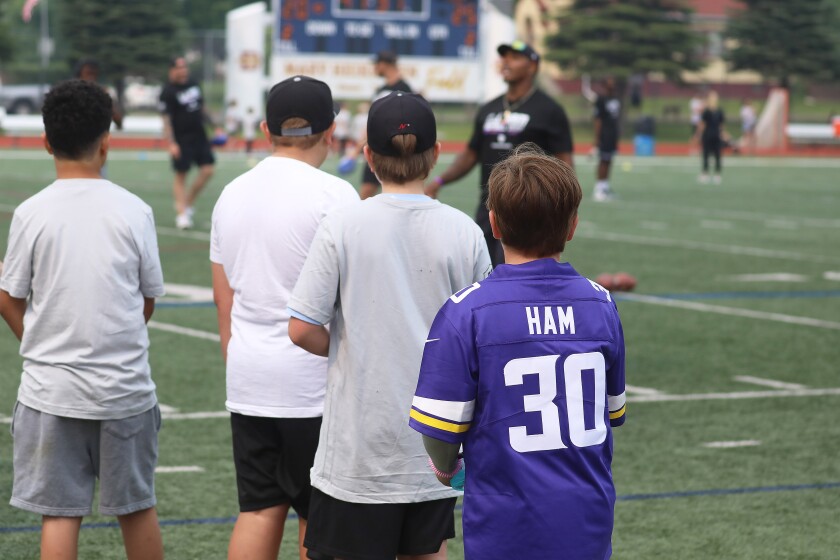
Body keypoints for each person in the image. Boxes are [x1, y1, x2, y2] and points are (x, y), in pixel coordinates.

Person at [287, 91, 492, 560]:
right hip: (434, 445)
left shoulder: (343, 225)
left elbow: (301, 328)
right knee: (426, 550)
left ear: (368, 157)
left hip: (359, 449)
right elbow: (483, 337)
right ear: (436, 154)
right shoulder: (464, 231)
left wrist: (349, 344)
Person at [410, 143, 627, 559]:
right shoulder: (601, 304)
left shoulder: (466, 311)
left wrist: (447, 470)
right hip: (587, 519)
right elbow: (611, 413)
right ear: (572, 226)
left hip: (505, 523)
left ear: (493, 223)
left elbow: (438, 431)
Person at [0, 79, 165, 560]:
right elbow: (147, 299)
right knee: (137, 508)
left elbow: (10, 298)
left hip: (50, 392)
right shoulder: (135, 211)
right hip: (125, 390)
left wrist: (39, 340)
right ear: (107, 139)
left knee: (60, 514)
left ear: (45, 141)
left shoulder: (30, 214)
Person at [211, 75, 359, 560]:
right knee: (320, 516)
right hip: (314, 386)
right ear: (331, 129)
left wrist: (241, 363)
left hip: (250, 376)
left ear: (265, 127)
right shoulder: (336, 196)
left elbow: (224, 301)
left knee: (258, 509)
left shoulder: (231, 192)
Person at [426, 40, 574, 267]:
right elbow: (471, 154)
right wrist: (439, 180)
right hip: (489, 207)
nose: (506, 62)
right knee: (484, 271)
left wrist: (566, 203)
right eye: (504, 57)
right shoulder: (489, 108)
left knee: (521, 272)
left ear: (532, 66)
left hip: (530, 207)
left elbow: (565, 161)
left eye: (514, 57)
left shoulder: (550, 110)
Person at [159, 56, 215, 230]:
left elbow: (202, 107)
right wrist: (172, 143)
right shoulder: (167, 91)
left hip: (199, 135)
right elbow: (166, 119)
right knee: (181, 174)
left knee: (208, 170)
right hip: (181, 139)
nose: (183, 71)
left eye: (185, 67)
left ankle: (187, 204)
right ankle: (182, 214)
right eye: (179, 68)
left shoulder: (193, 84)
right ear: (172, 70)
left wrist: (215, 126)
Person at [357, 50, 413, 199]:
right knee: (365, 196)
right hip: (376, 149)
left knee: (401, 195)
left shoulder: (405, 89)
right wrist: (358, 147)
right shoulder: (380, 90)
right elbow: (372, 122)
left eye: (376, 64)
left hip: (395, 150)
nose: (375, 67)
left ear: (384, 64)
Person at [593, 77, 621, 202]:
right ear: (605, 85)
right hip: (604, 134)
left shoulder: (615, 98)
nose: (613, 85)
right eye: (610, 83)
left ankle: (605, 186)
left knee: (609, 160)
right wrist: (597, 138)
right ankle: (598, 189)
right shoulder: (601, 99)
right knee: (603, 160)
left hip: (612, 134)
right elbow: (598, 119)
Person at [695, 90, 725, 184]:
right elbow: (702, 124)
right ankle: (706, 173)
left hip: (715, 135)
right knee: (706, 154)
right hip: (708, 135)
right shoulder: (706, 112)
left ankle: (717, 173)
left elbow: (721, 125)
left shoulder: (719, 111)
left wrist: (723, 134)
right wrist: (698, 135)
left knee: (717, 155)